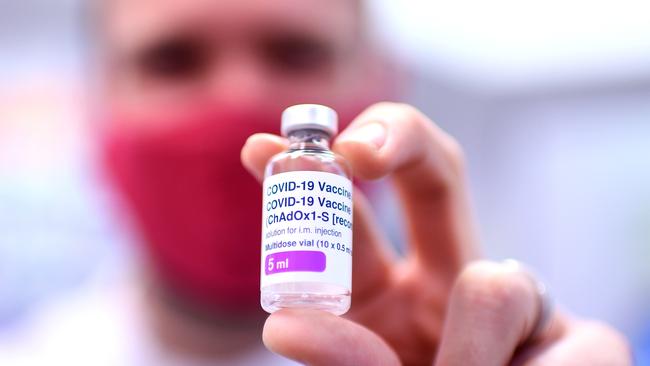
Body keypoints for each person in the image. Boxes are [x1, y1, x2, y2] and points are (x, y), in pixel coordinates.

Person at [0, 0, 630, 365]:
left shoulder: (459, 342)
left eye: (294, 52)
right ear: (95, 104)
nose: (241, 95)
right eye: (173, 59)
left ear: (383, 84)